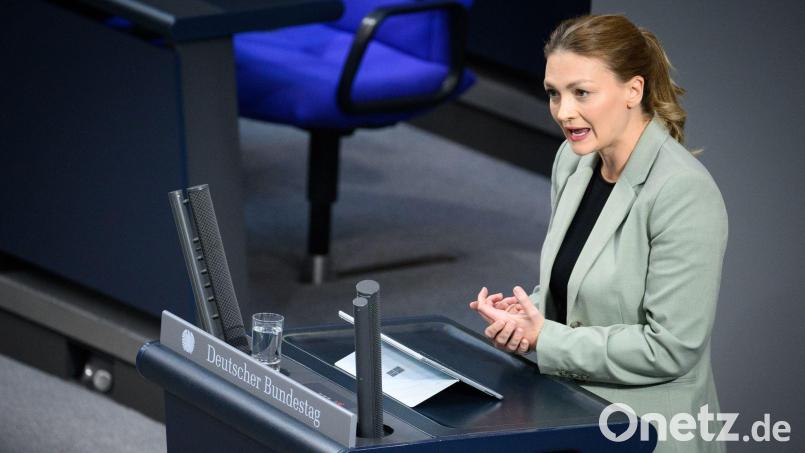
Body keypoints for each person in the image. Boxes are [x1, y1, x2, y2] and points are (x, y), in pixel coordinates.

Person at [469, 14, 728, 453]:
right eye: (554, 94)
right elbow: (577, 292)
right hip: (569, 406)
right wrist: (527, 315)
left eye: (582, 93)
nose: (564, 112)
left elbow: (669, 348)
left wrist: (545, 339)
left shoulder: (683, 192)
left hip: (646, 431)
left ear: (634, 90)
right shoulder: (572, 161)